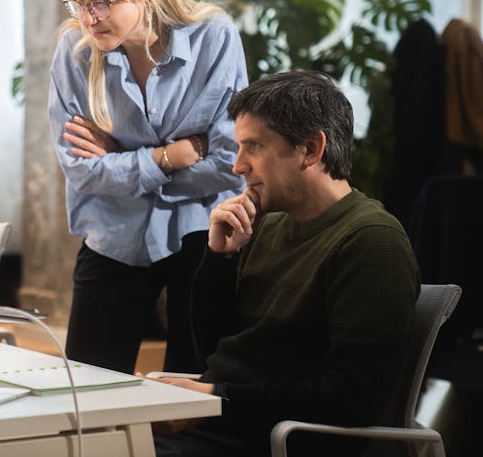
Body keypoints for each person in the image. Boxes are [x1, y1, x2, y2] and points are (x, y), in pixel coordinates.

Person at [152, 71, 420, 457]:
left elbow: (353, 397)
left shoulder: (371, 240)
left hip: (274, 439)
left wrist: (217, 400)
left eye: (254, 147)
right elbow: (214, 353)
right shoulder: (268, 224)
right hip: (221, 428)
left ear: (310, 149)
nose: (237, 166)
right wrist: (219, 260)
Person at [48, 0, 247, 375]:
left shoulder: (214, 38)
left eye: (102, 1)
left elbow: (226, 161)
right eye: (78, 2)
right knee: (86, 391)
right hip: (113, 236)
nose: (87, 17)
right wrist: (169, 155)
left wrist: (122, 158)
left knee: (190, 391)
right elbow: (82, 171)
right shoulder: (75, 50)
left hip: (200, 234)